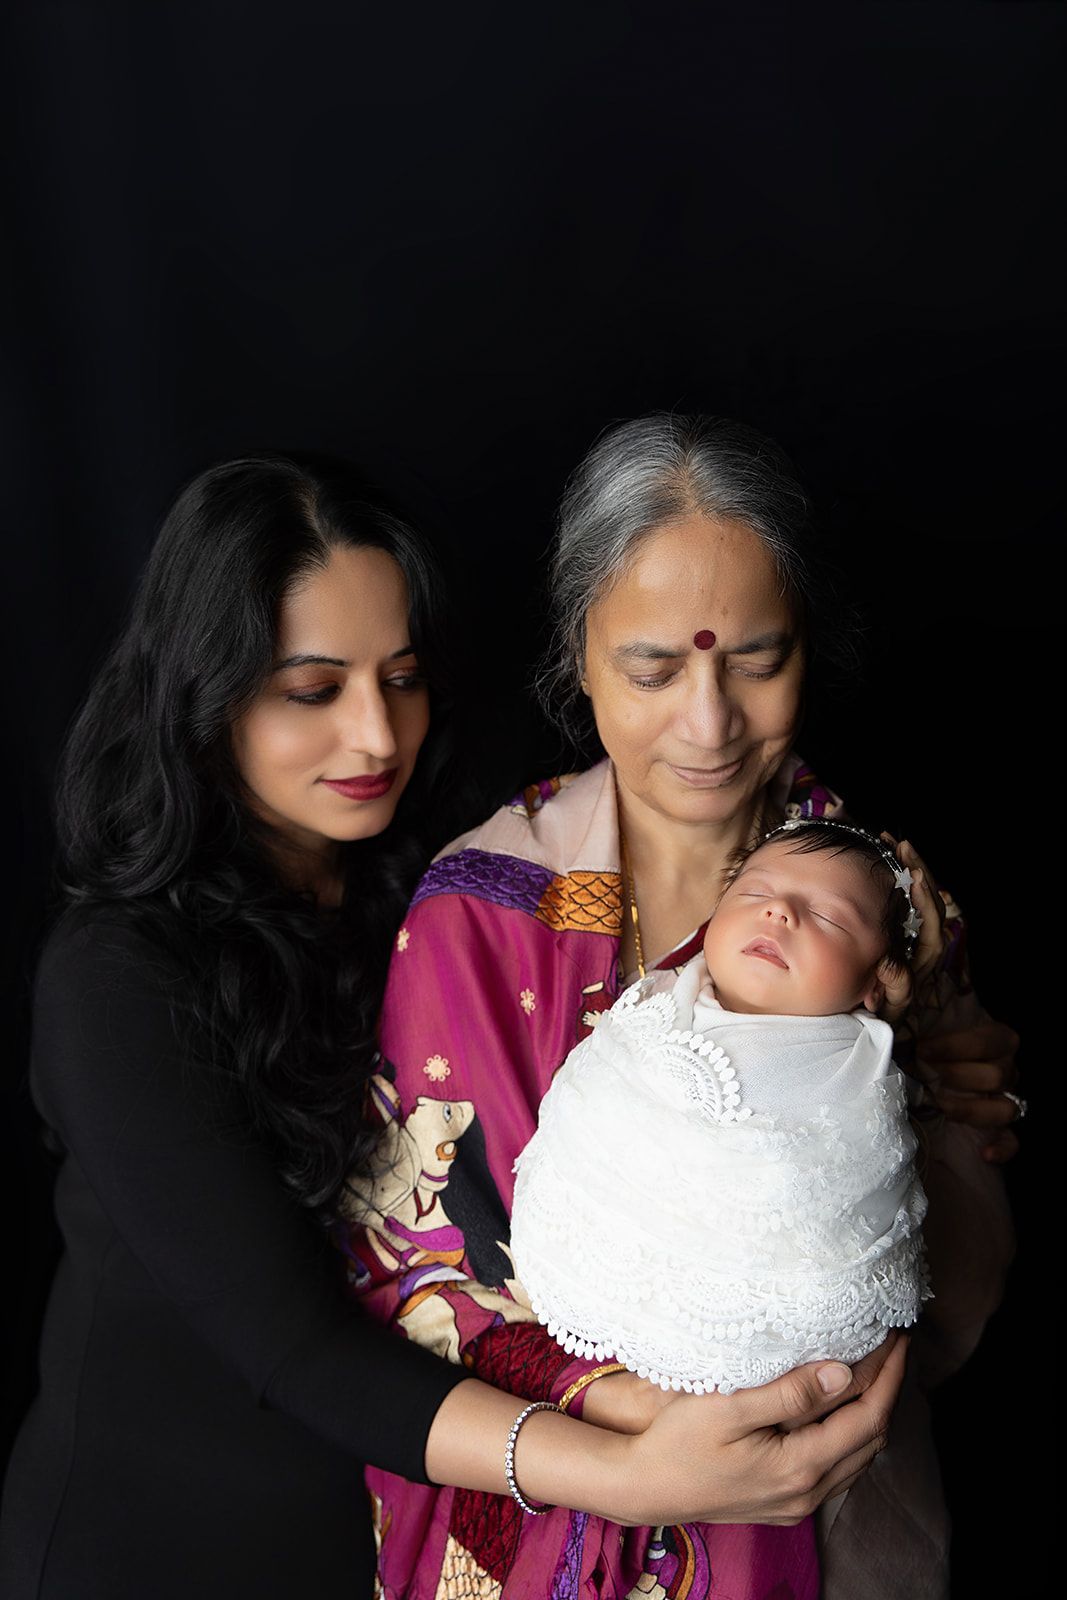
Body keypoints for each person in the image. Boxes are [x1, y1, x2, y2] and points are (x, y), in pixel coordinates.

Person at [0, 452, 903, 1600]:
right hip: (167, 1539)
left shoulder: (451, 880)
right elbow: (301, 1346)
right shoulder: (116, 978)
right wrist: (635, 1477)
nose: (377, 736)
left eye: (403, 676)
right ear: (205, 689)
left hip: (387, 1535)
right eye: (313, 689)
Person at [341, 414, 1018, 1600]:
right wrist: (661, 1437)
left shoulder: (886, 903)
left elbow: (939, 1275)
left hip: (821, 1514)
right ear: (578, 652)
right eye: (653, 667)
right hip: (562, 1503)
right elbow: (420, 1274)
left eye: (755, 660)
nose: (708, 725)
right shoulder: (479, 915)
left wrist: (929, 1107)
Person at [511, 819, 930, 1400]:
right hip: (610, 1270)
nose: (778, 912)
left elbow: (851, 1187)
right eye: (754, 892)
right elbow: (599, 1094)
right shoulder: (661, 998)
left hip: (769, 1342)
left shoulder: (859, 1067)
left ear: (874, 982)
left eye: (830, 917)